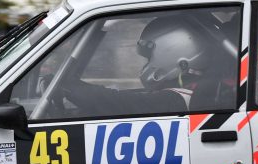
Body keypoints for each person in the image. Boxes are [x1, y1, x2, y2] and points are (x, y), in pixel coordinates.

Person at [60, 14, 235, 115]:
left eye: (149, 57)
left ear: (175, 54)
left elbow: (115, 102)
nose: (146, 65)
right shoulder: (195, 89)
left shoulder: (175, 100)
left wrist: (69, 86)